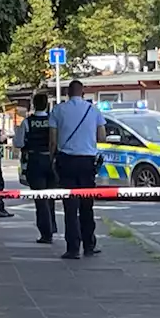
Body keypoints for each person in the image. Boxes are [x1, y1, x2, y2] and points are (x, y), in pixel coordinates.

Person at [49, 80, 106, 259]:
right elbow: (102, 136)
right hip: (87, 162)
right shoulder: (93, 110)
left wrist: (52, 158)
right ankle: (89, 245)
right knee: (87, 206)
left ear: (67, 93)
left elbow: (52, 139)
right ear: (83, 93)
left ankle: (73, 248)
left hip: (66, 161)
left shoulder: (58, 110)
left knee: (70, 206)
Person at [14, 93, 57, 243]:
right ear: (46, 105)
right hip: (52, 161)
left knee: (40, 199)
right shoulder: (52, 120)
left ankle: (46, 232)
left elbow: (18, 143)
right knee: (51, 197)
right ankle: (52, 226)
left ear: (33, 104)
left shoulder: (27, 122)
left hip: (35, 160)